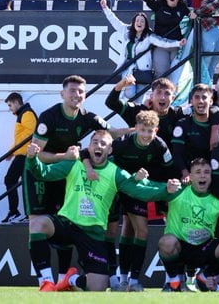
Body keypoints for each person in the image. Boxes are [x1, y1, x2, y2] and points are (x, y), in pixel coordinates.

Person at [25, 129, 181, 292]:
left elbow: (140, 190)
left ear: (110, 150)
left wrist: (166, 190)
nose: (98, 146)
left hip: (93, 233)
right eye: (95, 142)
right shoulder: (74, 163)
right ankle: (46, 281)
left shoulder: (116, 173)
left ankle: (71, 279)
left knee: (98, 287)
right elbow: (43, 173)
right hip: (68, 224)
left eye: (103, 143)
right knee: (37, 223)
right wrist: (32, 158)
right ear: (89, 147)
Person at [26, 75, 122, 291]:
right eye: (72, 90)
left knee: (66, 217)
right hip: (40, 172)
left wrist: (139, 132)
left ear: (85, 95)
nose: (76, 95)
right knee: (37, 224)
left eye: (80, 91)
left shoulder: (88, 117)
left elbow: (113, 132)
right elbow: (38, 156)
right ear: (63, 94)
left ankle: (64, 278)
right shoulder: (48, 117)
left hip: (67, 169)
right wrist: (65, 157)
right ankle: (45, 281)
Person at [82, 111, 178, 292]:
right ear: (136, 128)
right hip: (114, 190)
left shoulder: (160, 146)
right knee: (113, 231)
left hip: (138, 190)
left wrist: (169, 186)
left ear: (156, 130)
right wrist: (88, 167)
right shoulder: (122, 142)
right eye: (142, 130)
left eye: (150, 131)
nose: (146, 135)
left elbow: (170, 170)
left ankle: (133, 280)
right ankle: (117, 278)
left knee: (140, 230)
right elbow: (86, 152)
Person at [158, 157, 219, 292]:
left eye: (207, 172)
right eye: (198, 172)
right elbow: (150, 192)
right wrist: (135, 180)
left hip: (204, 248)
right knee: (166, 242)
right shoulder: (177, 190)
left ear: (211, 176)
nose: (202, 175)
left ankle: (204, 277)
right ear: (190, 176)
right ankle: (174, 282)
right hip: (181, 247)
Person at [100, 0, 185, 97]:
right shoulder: (126, 31)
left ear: (145, 25)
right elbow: (114, 21)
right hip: (128, 70)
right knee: (129, 94)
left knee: (140, 97)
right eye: (137, 21)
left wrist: (178, 43)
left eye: (142, 21)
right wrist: (105, 8)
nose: (139, 23)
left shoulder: (149, 36)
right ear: (133, 22)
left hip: (143, 72)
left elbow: (163, 42)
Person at [131, 0, 191, 77]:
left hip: (177, 46)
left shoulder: (183, 9)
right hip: (160, 45)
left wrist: (193, 15)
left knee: (177, 75)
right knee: (161, 75)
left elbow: (192, 18)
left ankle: (173, 93)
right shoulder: (159, 6)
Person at [171, 84, 219, 179]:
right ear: (191, 101)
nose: (201, 101)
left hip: (213, 173)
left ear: (210, 101)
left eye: (204, 97)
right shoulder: (183, 124)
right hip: (189, 173)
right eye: (197, 97)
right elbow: (177, 153)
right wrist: (185, 172)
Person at [2, 92, 37, 224]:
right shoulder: (23, 114)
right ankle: (22, 213)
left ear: (17, 102)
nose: (10, 108)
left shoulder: (27, 113)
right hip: (23, 154)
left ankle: (17, 212)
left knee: (11, 180)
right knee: (21, 183)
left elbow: (29, 135)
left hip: (25, 155)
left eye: (10, 105)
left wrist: (14, 151)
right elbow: (21, 138)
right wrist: (12, 151)